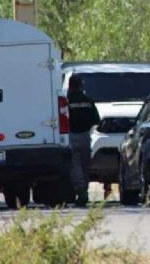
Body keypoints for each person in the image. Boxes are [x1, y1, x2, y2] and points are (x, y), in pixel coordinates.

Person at [67, 75, 100, 207]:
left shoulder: (67, 101)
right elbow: (96, 120)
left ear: (70, 86)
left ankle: (81, 192)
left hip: (71, 136)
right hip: (86, 136)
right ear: (81, 86)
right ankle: (84, 191)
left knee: (75, 166)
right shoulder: (88, 100)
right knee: (85, 165)